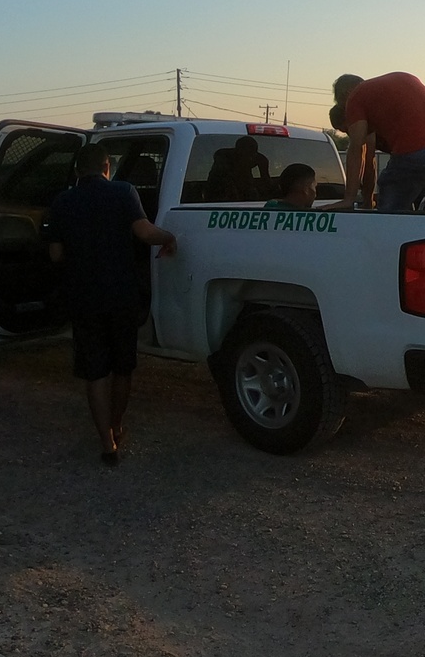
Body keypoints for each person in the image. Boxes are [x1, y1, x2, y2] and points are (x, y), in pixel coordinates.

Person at [47, 143, 177, 465]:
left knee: (95, 372)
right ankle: (117, 425)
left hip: (83, 298)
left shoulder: (63, 200)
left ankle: (107, 444)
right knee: (122, 367)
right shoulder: (124, 191)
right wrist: (170, 238)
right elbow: (145, 233)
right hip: (121, 295)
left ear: (78, 170)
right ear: (108, 167)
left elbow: (56, 254)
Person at [331, 72, 425, 213]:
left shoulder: (355, 96)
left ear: (346, 94)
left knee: (391, 208)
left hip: (416, 150)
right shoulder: (403, 79)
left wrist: (349, 199)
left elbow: (357, 147)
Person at [206, 136, 272, 201]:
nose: (249, 158)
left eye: (252, 154)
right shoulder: (223, 159)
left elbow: (266, 181)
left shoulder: (260, 160)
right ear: (238, 151)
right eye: (246, 154)